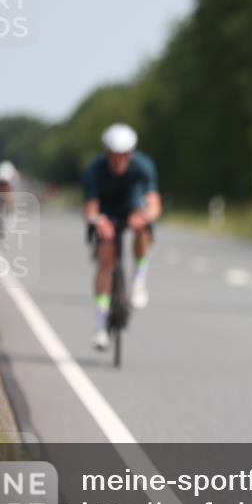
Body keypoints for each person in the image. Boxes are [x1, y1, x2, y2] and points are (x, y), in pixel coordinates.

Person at [82, 123, 161, 350]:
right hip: (105, 212)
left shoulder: (143, 166)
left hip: (132, 208)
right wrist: (98, 221)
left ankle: (138, 282)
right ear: (106, 154)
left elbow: (154, 203)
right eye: (113, 156)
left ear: (131, 154)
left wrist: (145, 217)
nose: (118, 161)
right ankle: (99, 326)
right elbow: (89, 208)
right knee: (105, 260)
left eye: (123, 156)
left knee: (142, 230)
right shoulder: (94, 169)